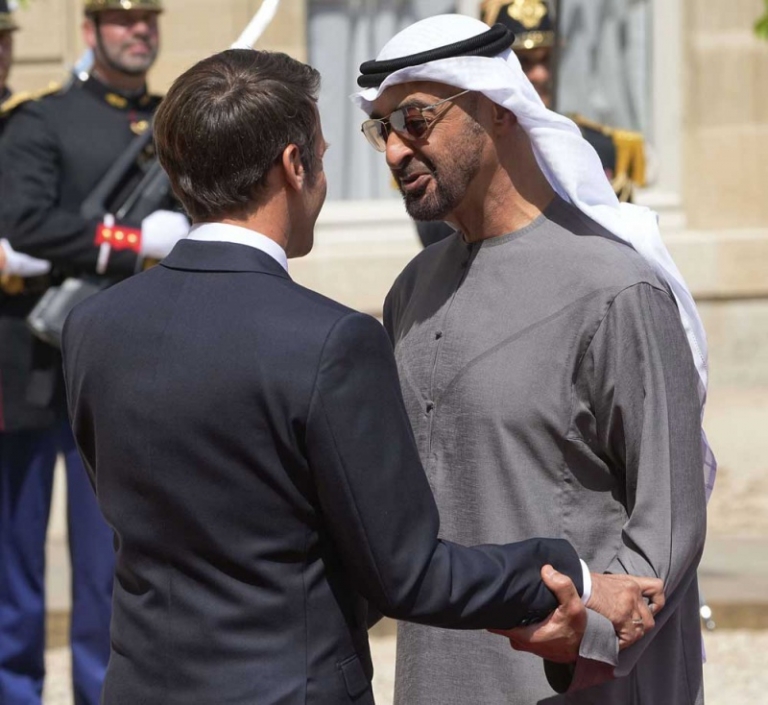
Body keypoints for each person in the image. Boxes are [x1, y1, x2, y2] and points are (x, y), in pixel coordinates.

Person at [61, 48, 662, 705]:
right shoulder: (329, 341)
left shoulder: (92, 327)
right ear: (295, 165)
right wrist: (573, 574)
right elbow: (407, 574)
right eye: (321, 157)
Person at [354, 14, 711, 704]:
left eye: (416, 120)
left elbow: (670, 520)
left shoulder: (616, 288)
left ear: (497, 108)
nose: (395, 150)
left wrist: (587, 634)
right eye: (382, 130)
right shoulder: (412, 292)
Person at [0, 2, 186, 703]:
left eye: (147, 18)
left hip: (119, 368)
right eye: (119, 19)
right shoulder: (41, 121)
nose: (138, 30)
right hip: (30, 364)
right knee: (14, 564)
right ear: (90, 31)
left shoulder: (172, 121)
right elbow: (24, 220)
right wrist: (134, 243)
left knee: (112, 565)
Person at [415, 0, 647, 247]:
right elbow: (440, 240)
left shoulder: (599, 147)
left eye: (547, 59)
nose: (541, 74)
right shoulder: (461, 148)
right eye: (524, 62)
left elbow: (618, 244)